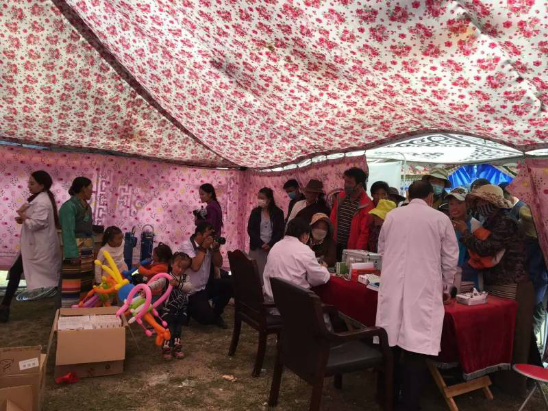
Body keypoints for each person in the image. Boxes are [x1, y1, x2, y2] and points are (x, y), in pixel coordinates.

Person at [376, 181, 458, 410]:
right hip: (423, 290)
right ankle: (409, 404)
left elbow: (381, 250)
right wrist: (446, 287)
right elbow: (450, 258)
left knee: (390, 344)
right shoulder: (440, 219)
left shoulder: (392, 216)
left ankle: (386, 398)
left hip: (393, 287)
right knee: (416, 349)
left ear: (408, 195)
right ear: (431, 197)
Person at [455, 184, 536, 395]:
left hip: (513, 285)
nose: (479, 205)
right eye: (478, 201)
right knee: (502, 334)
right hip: (499, 284)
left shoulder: (505, 222)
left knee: (516, 337)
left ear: (493, 203)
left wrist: (464, 232)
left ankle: (514, 385)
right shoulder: (490, 221)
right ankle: (501, 381)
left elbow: (486, 248)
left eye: (483, 201)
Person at [0, 171, 62, 323]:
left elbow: (36, 224)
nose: (29, 185)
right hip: (34, 246)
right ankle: (5, 306)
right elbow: (36, 220)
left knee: (51, 276)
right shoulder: (40, 199)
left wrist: (22, 215)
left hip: (38, 247)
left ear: (42, 185)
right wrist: (23, 218)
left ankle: (5, 307)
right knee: (17, 272)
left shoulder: (42, 202)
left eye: (32, 183)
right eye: (29, 182)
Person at [263, 217, 330, 307]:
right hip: (293, 305)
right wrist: (324, 268)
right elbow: (319, 278)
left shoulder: (276, 246)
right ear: (305, 235)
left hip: (269, 300)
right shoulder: (304, 250)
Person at [181, 222, 232, 328]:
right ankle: (187, 308)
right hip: (191, 291)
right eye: (209, 235)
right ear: (199, 234)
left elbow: (219, 264)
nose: (211, 238)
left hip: (204, 287)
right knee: (206, 319)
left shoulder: (209, 247)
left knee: (230, 284)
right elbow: (195, 267)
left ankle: (216, 314)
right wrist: (203, 248)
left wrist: (216, 250)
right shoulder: (186, 246)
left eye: (213, 235)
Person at [148, 252, 193, 361]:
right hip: (167, 310)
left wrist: (177, 284)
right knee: (168, 329)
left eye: (184, 268)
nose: (180, 270)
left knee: (178, 329)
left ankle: (177, 347)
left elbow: (189, 287)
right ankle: (166, 348)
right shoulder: (166, 277)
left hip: (181, 309)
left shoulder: (186, 278)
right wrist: (147, 288)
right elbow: (157, 283)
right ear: (172, 264)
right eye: (178, 266)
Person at [59, 177, 94, 308]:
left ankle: (83, 308)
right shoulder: (68, 207)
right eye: (90, 188)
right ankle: (67, 311)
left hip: (87, 249)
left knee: (85, 282)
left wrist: (92, 248)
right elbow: (68, 232)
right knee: (71, 282)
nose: (92, 191)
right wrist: (72, 254)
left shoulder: (87, 207)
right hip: (74, 248)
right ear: (83, 188)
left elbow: (89, 229)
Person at [331, 167, 374, 260]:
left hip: (351, 250)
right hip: (335, 245)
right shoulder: (340, 197)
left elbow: (364, 233)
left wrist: (357, 254)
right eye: (345, 182)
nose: (346, 185)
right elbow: (333, 218)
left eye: (350, 183)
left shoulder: (367, 204)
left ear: (359, 185)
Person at [520, 206, 548, 340]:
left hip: (536, 290)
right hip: (536, 290)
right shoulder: (536, 243)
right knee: (530, 327)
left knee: (530, 328)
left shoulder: (532, 243)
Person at [446, 187, 482, 288]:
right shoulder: (445, 224)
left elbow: (479, 256)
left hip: (470, 280)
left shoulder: (475, 225)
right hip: (448, 278)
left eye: (459, 203)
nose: (454, 207)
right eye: (451, 204)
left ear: (468, 204)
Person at [247, 187, 285, 278]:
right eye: (258, 198)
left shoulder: (278, 213)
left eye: (262, 198)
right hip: (256, 247)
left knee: (269, 274)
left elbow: (280, 231)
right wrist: (261, 244)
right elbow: (250, 229)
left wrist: (270, 244)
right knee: (255, 273)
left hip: (272, 248)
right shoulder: (255, 212)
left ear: (269, 199)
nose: (259, 200)